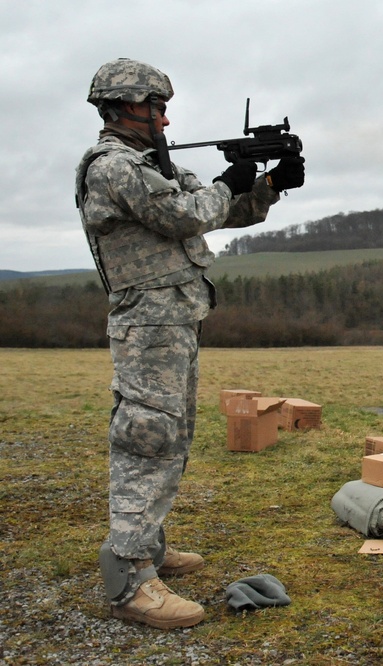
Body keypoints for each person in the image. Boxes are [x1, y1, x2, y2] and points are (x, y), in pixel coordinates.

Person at [74, 58, 305, 630]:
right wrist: (231, 180)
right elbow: (181, 215)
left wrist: (269, 184)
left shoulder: (154, 163)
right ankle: (129, 579)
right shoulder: (114, 167)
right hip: (147, 324)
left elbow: (218, 211)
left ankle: (147, 545)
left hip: (174, 321)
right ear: (120, 107)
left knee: (172, 435)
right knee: (146, 438)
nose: (164, 115)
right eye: (154, 106)